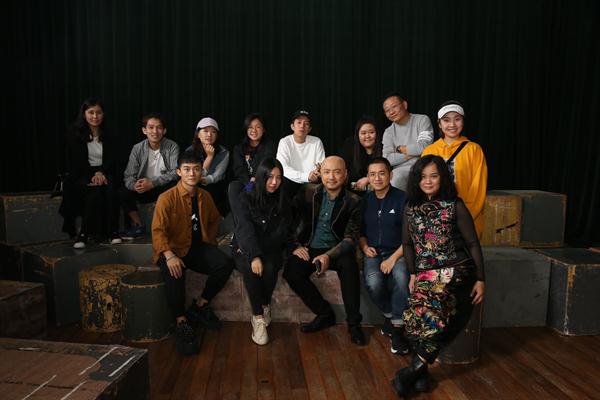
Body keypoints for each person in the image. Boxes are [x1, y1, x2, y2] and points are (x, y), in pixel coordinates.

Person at [391, 155, 485, 396]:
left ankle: (410, 372)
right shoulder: (411, 207)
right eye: (423, 177)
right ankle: (421, 374)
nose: (428, 181)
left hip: (456, 269)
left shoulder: (455, 204)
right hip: (425, 272)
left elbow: (473, 243)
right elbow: (407, 244)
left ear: (442, 178)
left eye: (434, 176)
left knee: (434, 313)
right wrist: (413, 274)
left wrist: (481, 279)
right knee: (414, 317)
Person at [152, 150, 234, 355]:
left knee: (224, 264)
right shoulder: (166, 198)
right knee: (175, 273)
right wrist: (169, 255)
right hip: (172, 250)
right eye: (187, 169)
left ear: (201, 172)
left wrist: (210, 242)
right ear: (179, 172)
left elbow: (215, 220)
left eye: (196, 169)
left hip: (196, 248)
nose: (192, 174)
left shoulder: (205, 196)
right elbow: (158, 231)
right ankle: (181, 321)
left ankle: (199, 306)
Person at [283, 156, 365, 345]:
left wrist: (328, 256)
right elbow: (289, 221)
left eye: (337, 172)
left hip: (337, 249)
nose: (331, 177)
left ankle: (354, 324)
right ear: (320, 173)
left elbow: (351, 238)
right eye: (327, 172)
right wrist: (295, 245)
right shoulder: (307, 192)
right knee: (291, 271)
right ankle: (325, 314)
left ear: (345, 175)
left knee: (349, 266)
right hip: (309, 246)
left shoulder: (354, 201)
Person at [230, 158, 291, 345]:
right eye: (269, 177)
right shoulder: (246, 196)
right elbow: (244, 228)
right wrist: (254, 255)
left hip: (270, 246)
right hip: (246, 245)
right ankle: (257, 318)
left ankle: (265, 305)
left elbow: (282, 230)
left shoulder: (282, 198)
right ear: (260, 177)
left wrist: (263, 252)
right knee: (252, 268)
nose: (274, 182)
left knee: (270, 267)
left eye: (278, 178)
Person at [359, 157, 409, 355]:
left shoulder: (402, 198)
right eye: (372, 174)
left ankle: (397, 330)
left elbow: (410, 235)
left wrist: (393, 259)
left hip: (398, 251)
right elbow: (360, 231)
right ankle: (390, 315)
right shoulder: (365, 201)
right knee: (373, 283)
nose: (377, 178)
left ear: (390, 174)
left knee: (401, 278)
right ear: (368, 177)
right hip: (373, 252)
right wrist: (364, 247)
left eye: (382, 173)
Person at [59, 98, 121, 248]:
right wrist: (94, 174)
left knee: (111, 187)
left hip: (104, 171)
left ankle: (113, 232)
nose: (95, 116)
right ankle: (83, 234)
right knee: (95, 190)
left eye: (98, 112)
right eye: (91, 112)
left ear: (103, 114)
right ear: (84, 114)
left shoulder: (110, 133)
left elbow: (113, 158)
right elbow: (78, 160)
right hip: (82, 173)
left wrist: (101, 172)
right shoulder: (74, 133)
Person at [422, 101, 488, 237]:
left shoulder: (474, 149)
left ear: (463, 122)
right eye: (446, 120)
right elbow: (423, 185)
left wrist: (466, 216)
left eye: (457, 119)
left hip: (467, 218)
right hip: (436, 220)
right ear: (439, 124)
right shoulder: (429, 150)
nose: (452, 125)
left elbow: (478, 188)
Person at [120, 113, 179, 239]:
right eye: (151, 127)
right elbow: (129, 175)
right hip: (143, 188)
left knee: (175, 185)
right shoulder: (137, 148)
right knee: (123, 191)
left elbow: (175, 172)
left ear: (164, 131)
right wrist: (134, 186)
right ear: (144, 130)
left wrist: (152, 183)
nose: (155, 131)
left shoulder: (172, 146)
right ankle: (138, 225)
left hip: (162, 187)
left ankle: (167, 226)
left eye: (159, 128)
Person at [381, 93, 434, 191]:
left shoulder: (422, 120)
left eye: (394, 106)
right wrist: (410, 154)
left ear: (405, 105)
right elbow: (387, 159)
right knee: (391, 179)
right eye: (387, 110)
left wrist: (400, 149)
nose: (391, 112)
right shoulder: (388, 132)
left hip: (422, 166)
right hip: (400, 170)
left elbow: (424, 147)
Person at [276, 110, 325, 199]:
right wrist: (306, 176)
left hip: (311, 182)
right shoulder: (285, 142)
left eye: (306, 123)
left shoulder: (316, 142)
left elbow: (321, 165)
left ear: (309, 129)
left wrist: (318, 172)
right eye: (299, 122)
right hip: (290, 181)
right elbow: (282, 168)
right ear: (292, 126)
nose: (302, 126)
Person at [188, 117, 230, 216]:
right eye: (205, 131)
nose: (209, 135)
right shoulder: (190, 151)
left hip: (214, 185)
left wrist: (204, 180)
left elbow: (218, 175)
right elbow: (195, 174)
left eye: (213, 132)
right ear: (198, 134)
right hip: (195, 184)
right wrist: (209, 157)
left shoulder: (224, 152)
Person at [339, 116, 383, 195]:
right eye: (363, 133)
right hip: (352, 194)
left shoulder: (384, 148)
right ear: (358, 135)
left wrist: (369, 179)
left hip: (377, 192)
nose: (367, 136)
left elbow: (387, 173)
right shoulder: (350, 146)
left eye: (371, 132)